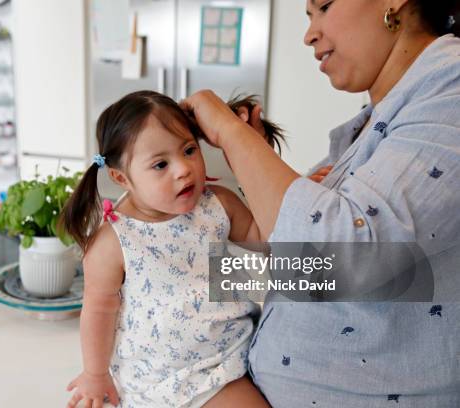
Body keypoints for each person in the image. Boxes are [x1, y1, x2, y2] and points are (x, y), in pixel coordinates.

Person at [181, 0, 460, 406]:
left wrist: (229, 133)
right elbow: (301, 271)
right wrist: (170, 268)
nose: (309, 34)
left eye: (323, 7)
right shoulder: (374, 124)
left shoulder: (450, 86)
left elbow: (343, 260)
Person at [60, 91, 285, 407]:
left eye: (189, 150)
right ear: (121, 177)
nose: (183, 169)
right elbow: (98, 310)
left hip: (220, 369)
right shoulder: (114, 240)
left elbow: (268, 240)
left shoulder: (219, 204)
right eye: (161, 164)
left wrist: (254, 151)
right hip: (150, 383)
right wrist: (95, 375)